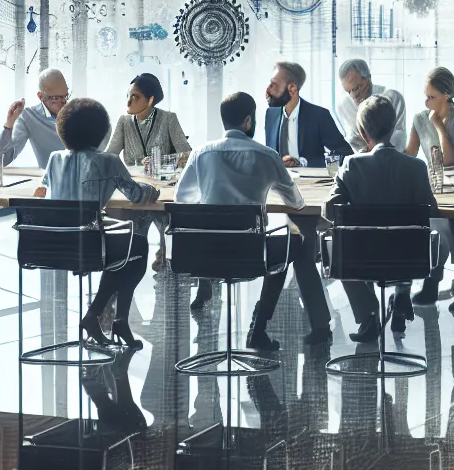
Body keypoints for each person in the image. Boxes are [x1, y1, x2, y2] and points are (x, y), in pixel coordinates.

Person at [176, 92, 330, 350]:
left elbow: (182, 197)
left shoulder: (201, 154)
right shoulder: (267, 156)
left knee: (282, 243)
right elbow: (296, 203)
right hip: (252, 255)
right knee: (299, 244)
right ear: (248, 121)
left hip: (204, 253)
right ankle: (259, 328)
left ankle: (212, 296)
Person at [30, 97, 162, 348]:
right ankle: (106, 316)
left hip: (54, 246)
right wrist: (153, 189)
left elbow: (45, 189)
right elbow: (136, 195)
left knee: (121, 251)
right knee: (138, 247)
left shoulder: (55, 159)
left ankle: (109, 319)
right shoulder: (108, 161)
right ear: (101, 132)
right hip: (90, 245)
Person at [326, 96, 439, 342]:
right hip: (409, 260)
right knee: (404, 238)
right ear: (394, 125)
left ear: (362, 131)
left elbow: (329, 211)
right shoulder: (416, 167)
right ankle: (401, 293)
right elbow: (431, 210)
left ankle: (368, 316)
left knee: (340, 246)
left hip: (359, 260)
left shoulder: (351, 165)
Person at [403, 66, 454, 313]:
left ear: (447, 95)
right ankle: (432, 279)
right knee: (430, 224)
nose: (426, 102)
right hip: (431, 186)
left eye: (431, 97)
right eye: (425, 96)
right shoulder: (418, 119)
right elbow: (410, 154)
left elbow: (453, 160)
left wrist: (438, 126)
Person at [263, 60, 351, 167]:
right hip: (276, 182)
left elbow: (345, 155)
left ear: (292, 88)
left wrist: (303, 162)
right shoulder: (270, 115)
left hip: (310, 182)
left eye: (274, 84)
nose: (268, 89)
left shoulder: (319, 116)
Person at [104, 72, 191, 167]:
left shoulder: (168, 118)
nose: (128, 102)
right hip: (132, 180)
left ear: (150, 100)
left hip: (161, 179)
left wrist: (159, 160)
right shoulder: (124, 121)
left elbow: (187, 155)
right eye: (127, 96)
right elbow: (109, 156)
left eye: (135, 97)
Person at [0, 67, 70, 168]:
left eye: (66, 96)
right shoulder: (29, 117)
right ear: (40, 97)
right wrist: (9, 123)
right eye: (56, 98)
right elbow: (1, 161)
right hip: (50, 180)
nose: (64, 102)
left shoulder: (77, 113)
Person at [335, 58, 407, 152]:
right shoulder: (344, 105)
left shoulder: (393, 98)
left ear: (368, 79)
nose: (353, 96)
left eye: (356, 88)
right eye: (348, 91)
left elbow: (399, 136)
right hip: (363, 162)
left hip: (394, 159)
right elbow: (354, 140)